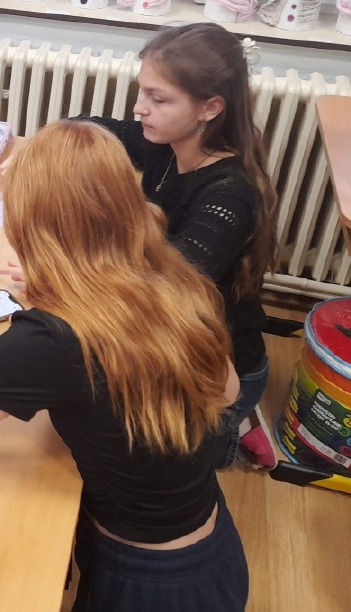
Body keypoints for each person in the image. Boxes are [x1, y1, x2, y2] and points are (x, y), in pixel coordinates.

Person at [0, 120, 248, 612]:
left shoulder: (51, 340)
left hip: (151, 585)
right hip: (210, 547)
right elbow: (228, 390)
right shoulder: (173, 273)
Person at [83, 23, 276, 468]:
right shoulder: (167, 142)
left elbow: (164, 290)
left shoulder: (228, 195)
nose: (140, 108)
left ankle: (234, 431)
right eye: (142, 92)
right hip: (170, 334)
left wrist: (71, 271)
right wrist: (44, 147)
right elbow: (91, 127)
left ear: (210, 108)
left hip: (216, 368)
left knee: (145, 460)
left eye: (158, 98)